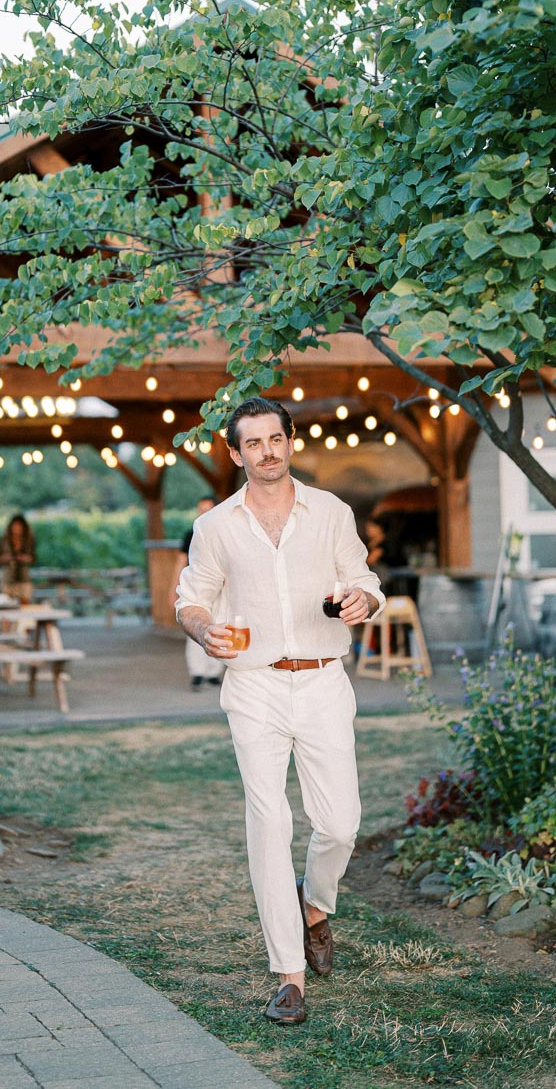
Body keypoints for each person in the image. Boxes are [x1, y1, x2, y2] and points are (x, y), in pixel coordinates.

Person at [176, 397, 385, 1026]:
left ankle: (316, 905)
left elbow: (367, 581)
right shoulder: (216, 526)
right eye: (255, 443)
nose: (269, 451)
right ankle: (289, 975)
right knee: (270, 822)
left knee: (340, 824)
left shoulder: (331, 512)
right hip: (253, 686)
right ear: (236, 454)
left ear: (290, 441)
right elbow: (192, 600)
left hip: (323, 682)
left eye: (277, 439)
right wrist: (202, 631)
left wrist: (360, 601)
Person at [172, 496, 222, 689]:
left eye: (207, 509)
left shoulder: (223, 532)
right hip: (196, 586)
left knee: (219, 624)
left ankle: (214, 671)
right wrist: (173, 588)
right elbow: (180, 562)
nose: (203, 513)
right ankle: (197, 672)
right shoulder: (191, 534)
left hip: (220, 587)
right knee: (196, 626)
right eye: (200, 509)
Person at [0, 514, 35, 603]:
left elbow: (33, 558)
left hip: (24, 577)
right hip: (7, 578)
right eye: (15, 526)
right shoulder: (4, 540)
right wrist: (7, 558)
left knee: (25, 604)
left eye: (19, 526)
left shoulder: (28, 540)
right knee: (6, 604)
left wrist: (24, 558)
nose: (17, 528)